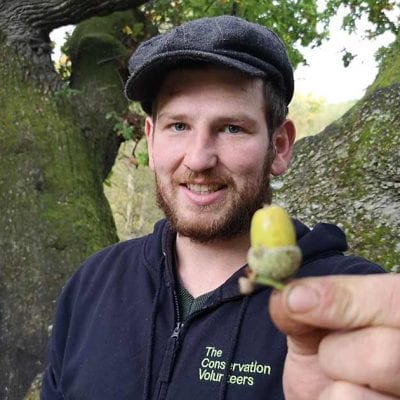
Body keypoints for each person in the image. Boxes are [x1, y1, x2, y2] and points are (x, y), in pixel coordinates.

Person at [41, 15, 400, 400]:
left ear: (279, 147)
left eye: (232, 128)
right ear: (150, 139)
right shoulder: (91, 284)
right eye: (178, 126)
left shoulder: (352, 307)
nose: (198, 159)